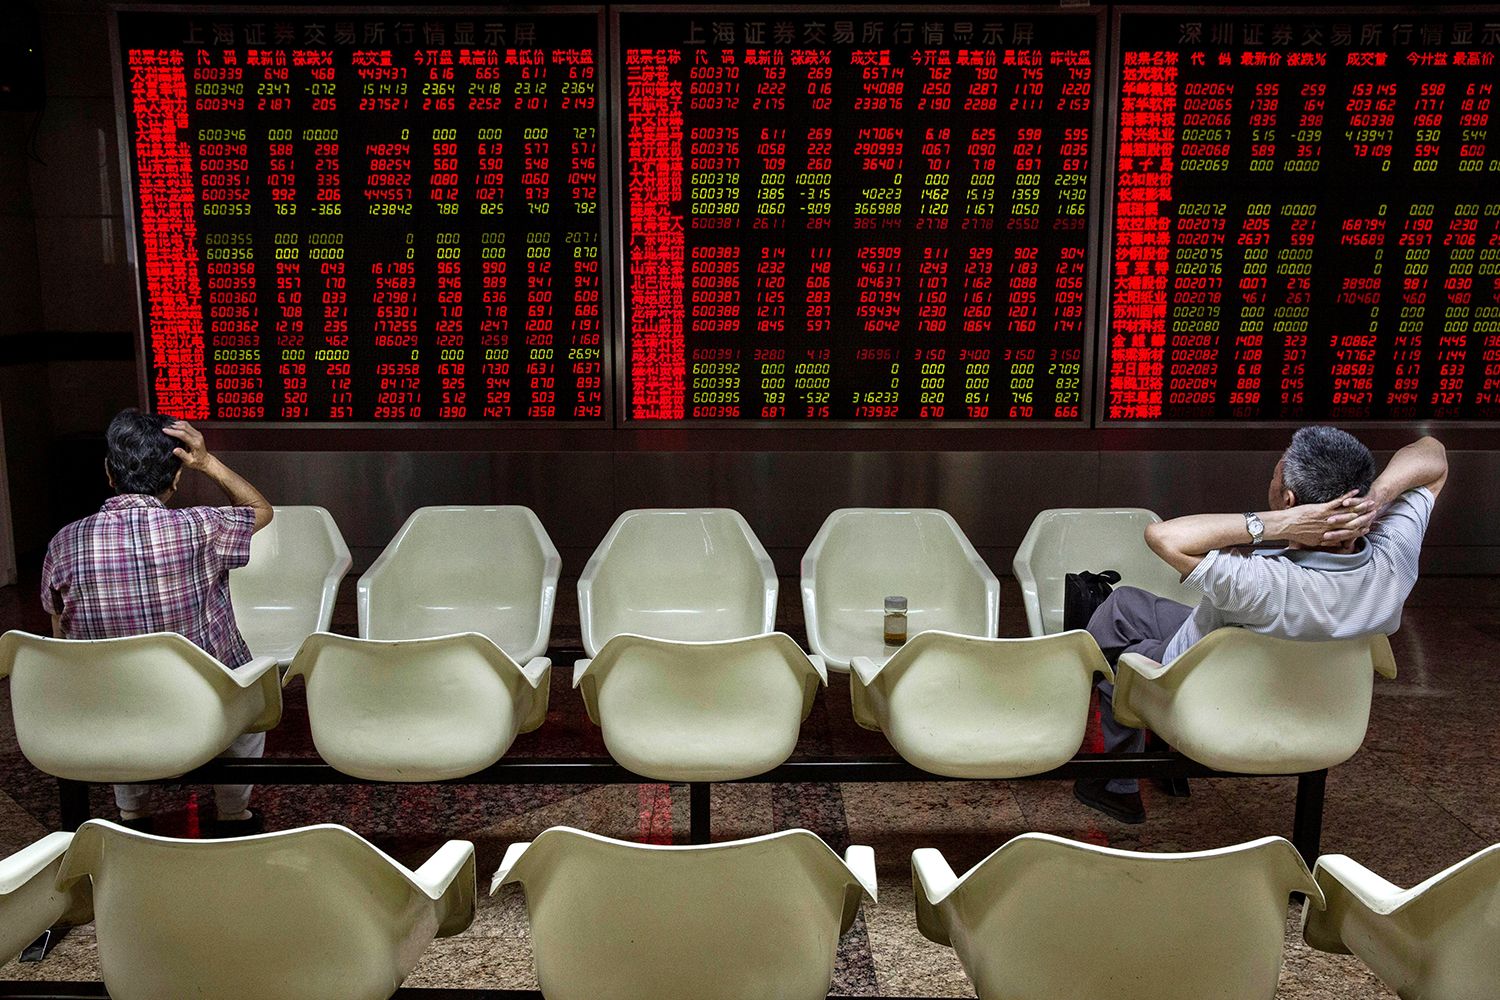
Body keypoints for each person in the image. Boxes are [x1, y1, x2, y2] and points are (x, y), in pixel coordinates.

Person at [1076, 427, 1447, 824]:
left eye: (1275, 474)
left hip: (1201, 692)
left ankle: (1118, 781)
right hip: (1319, 706)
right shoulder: (1391, 561)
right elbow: (1433, 455)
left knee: (1120, 648)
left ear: (1289, 501)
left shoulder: (1261, 585)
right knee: (1125, 604)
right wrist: (1377, 498)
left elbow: (1164, 537)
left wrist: (1280, 524)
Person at [40, 409, 274, 836]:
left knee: (115, 680)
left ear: (109, 472)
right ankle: (232, 815)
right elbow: (260, 509)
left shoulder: (64, 543)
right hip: (203, 712)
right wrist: (208, 462)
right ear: (177, 478)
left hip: (111, 712)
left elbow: (61, 641)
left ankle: (133, 814)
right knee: (248, 685)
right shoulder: (203, 527)